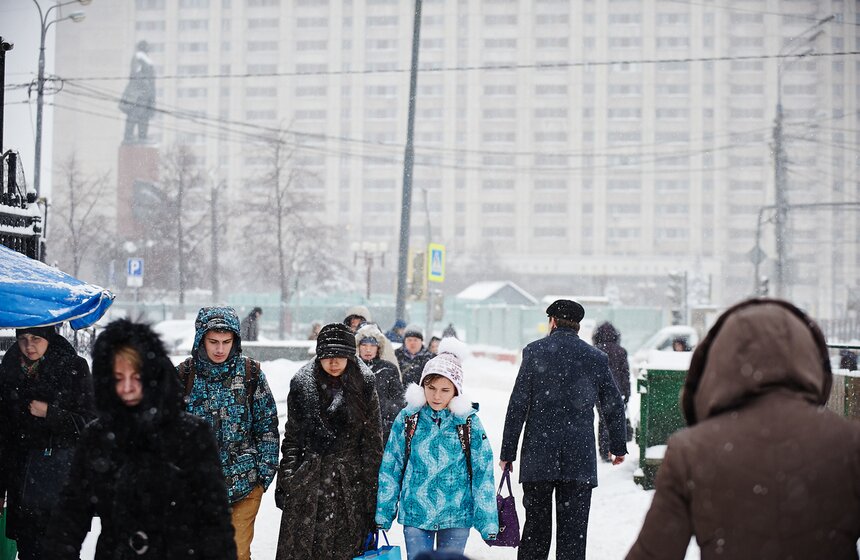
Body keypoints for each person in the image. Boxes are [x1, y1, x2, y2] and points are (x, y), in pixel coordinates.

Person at [626, 299, 860, 559]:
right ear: (811, 361)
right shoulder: (850, 444)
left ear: (717, 364)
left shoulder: (691, 451)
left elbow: (653, 553)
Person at [44, 319, 237, 559]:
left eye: (136, 376)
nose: (127, 387)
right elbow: (71, 513)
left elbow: (214, 521)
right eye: (118, 377)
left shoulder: (191, 434)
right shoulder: (98, 436)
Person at [500, 299, 628, 560]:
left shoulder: (534, 352)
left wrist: (508, 452)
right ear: (578, 326)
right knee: (573, 534)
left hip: (538, 456)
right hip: (578, 460)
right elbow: (613, 404)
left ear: (553, 322)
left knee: (535, 530)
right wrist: (617, 446)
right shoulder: (596, 358)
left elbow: (518, 405)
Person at [376, 340, 498, 559]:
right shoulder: (408, 418)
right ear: (422, 386)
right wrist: (384, 511)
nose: (437, 396)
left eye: (445, 390)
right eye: (431, 388)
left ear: (456, 390)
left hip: (456, 514)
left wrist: (487, 519)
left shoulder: (468, 422)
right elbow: (391, 465)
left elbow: (483, 471)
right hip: (416, 512)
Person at [274, 323, 383, 559]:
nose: (333, 362)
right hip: (308, 483)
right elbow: (292, 437)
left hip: (349, 485)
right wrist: (288, 480)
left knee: (345, 550)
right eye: (327, 356)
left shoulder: (364, 384)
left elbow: (372, 442)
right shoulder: (302, 384)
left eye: (340, 356)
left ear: (349, 356)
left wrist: (372, 493)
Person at [178, 307, 280, 560]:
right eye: (213, 342)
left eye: (226, 342)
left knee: (236, 553)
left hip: (244, 483)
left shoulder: (251, 374)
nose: (220, 349)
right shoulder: (182, 376)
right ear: (201, 339)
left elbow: (267, 426)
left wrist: (262, 475)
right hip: (195, 487)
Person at [0, 325, 94, 560]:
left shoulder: (74, 367)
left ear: (49, 337)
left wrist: (51, 413)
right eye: (22, 338)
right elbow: (3, 437)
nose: (29, 345)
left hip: (60, 482)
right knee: (29, 551)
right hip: (22, 483)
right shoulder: (9, 370)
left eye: (36, 338)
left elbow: (90, 426)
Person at [355, 322, 404, 442]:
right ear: (358, 346)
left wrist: (386, 412)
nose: (368, 349)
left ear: (378, 348)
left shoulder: (389, 368)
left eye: (372, 345)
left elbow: (398, 399)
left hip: (383, 428)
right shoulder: (351, 368)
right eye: (364, 345)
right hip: (354, 429)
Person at [592, 322, 631, 461]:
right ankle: (613, 449)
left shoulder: (595, 350)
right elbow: (625, 374)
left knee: (602, 420)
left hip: (598, 391)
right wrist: (627, 393)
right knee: (615, 419)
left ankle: (603, 451)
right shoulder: (621, 351)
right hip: (617, 390)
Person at [119, 40, 156, 142]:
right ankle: (128, 137)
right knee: (134, 115)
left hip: (147, 94)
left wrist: (152, 95)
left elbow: (152, 80)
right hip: (137, 93)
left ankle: (142, 137)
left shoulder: (148, 60)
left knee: (144, 117)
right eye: (146, 46)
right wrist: (145, 84)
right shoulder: (138, 57)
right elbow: (135, 73)